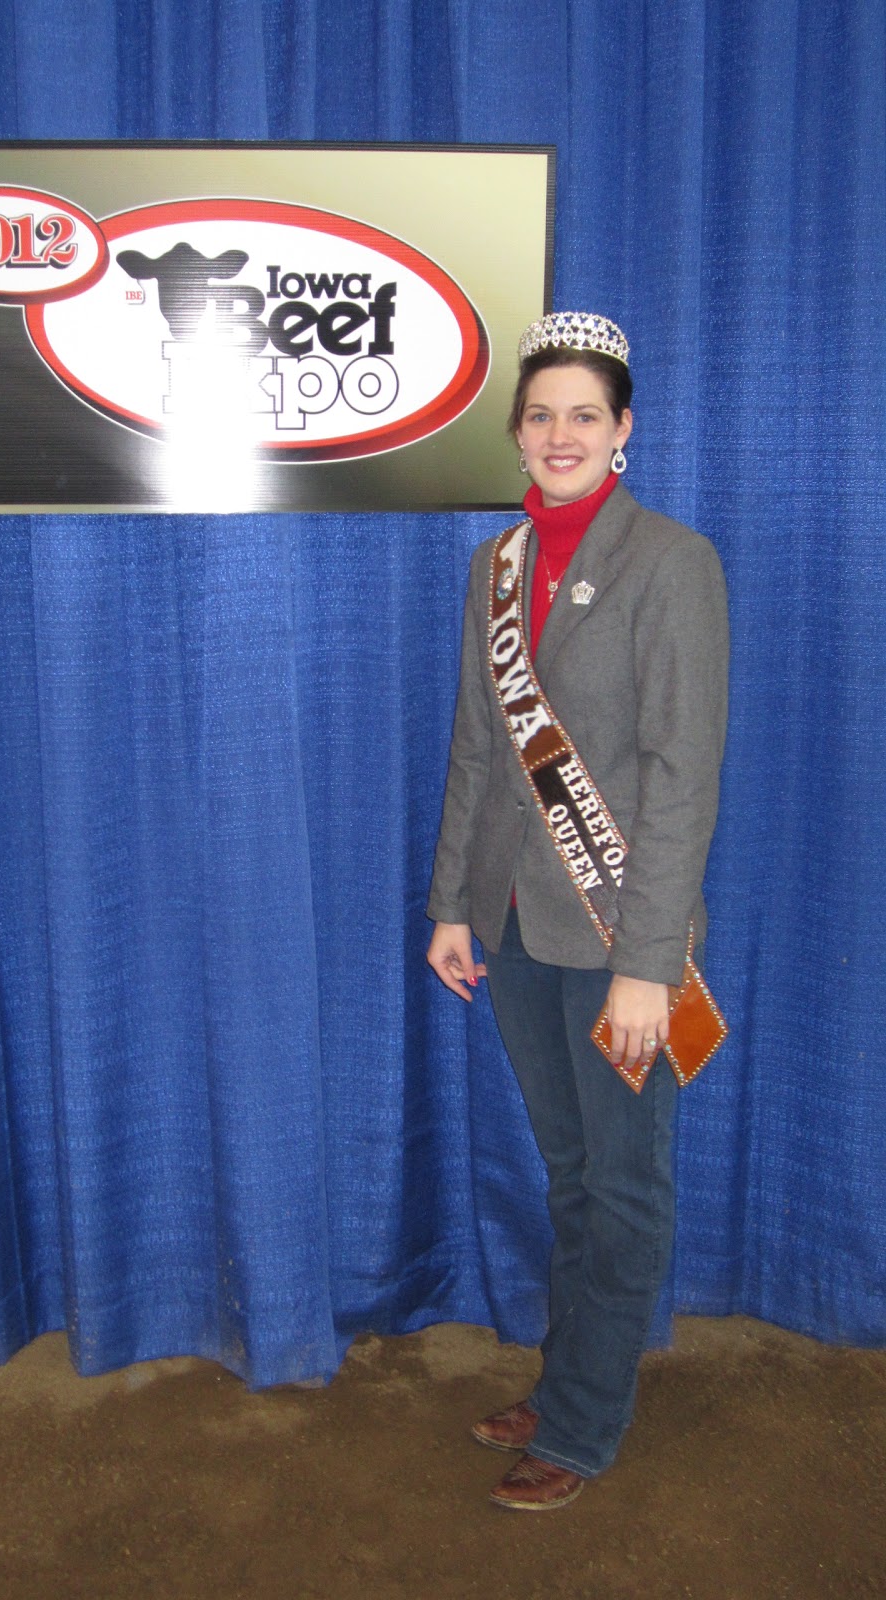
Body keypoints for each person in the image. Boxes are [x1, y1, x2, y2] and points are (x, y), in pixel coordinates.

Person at [426, 312, 728, 1510]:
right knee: (569, 1174)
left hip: (619, 943)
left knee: (623, 1180)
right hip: (513, 922)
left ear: (624, 434)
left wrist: (650, 963)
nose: (560, 434)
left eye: (584, 415)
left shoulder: (673, 563)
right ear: (518, 433)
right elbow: (476, 750)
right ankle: (568, 1382)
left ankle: (588, 1421)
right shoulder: (495, 568)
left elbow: (683, 776)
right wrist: (452, 900)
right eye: (540, 414)